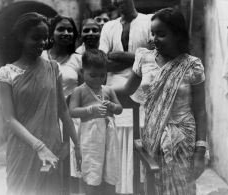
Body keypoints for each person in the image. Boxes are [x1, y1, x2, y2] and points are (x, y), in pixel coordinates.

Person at [114, 8, 208, 195]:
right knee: (155, 187)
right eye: (153, 33)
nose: (155, 39)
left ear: (178, 35)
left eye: (162, 34)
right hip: (153, 137)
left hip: (183, 140)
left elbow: (200, 111)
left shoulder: (192, 65)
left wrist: (200, 151)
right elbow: (127, 90)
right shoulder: (144, 58)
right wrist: (94, 91)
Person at [0, 12, 80, 195]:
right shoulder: (6, 73)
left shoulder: (53, 67)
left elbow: (62, 109)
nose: (42, 43)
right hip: (23, 148)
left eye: (45, 38)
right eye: (36, 38)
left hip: (52, 145)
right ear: (21, 37)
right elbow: (10, 119)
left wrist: (77, 145)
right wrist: (38, 146)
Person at [99, 0, 153, 193]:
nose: (118, 2)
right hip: (115, 93)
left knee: (140, 141)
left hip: (143, 90)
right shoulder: (108, 27)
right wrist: (137, 57)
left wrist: (119, 56)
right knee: (117, 143)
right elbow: (103, 62)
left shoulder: (149, 22)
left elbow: (152, 58)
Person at [69, 49, 123, 195]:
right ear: (82, 72)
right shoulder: (79, 91)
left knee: (109, 167)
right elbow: (72, 111)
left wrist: (112, 106)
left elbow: (119, 109)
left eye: (102, 76)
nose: (98, 80)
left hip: (109, 136)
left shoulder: (109, 90)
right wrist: (91, 109)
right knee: (92, 169)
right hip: (90, 137)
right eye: (92, 75)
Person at [42, 15, 82, 179]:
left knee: (74, 170)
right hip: (46, 117)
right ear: (51, 33)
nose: (66, 33)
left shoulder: (78, 59)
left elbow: (85, 92)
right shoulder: (41, 56)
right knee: (51, 170)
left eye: (70, 30)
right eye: (61, 29)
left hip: (71, 118)